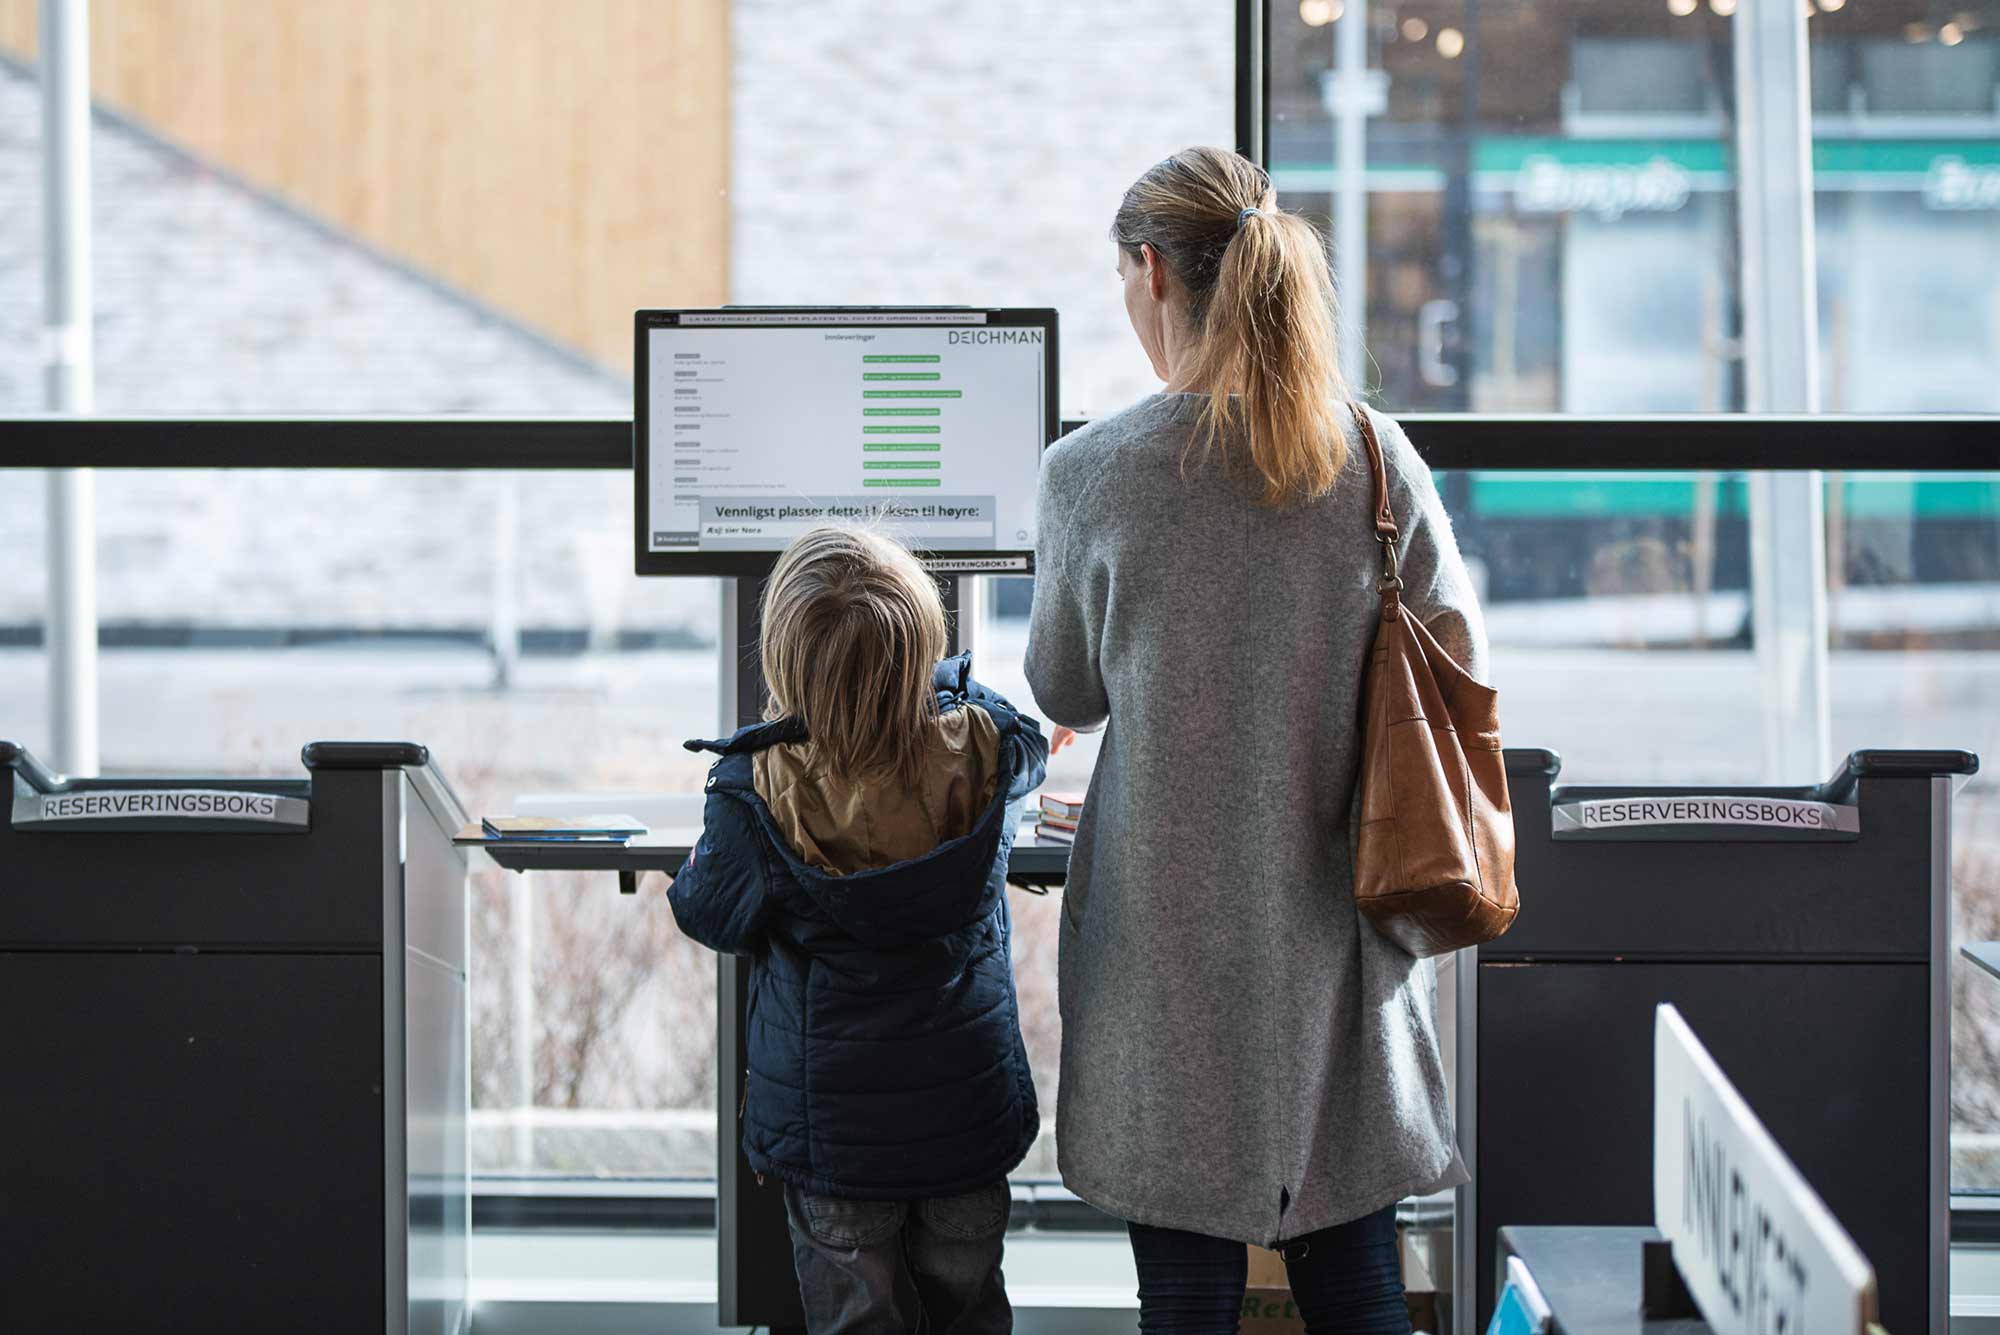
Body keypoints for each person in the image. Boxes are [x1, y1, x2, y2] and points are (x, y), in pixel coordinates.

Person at [1025, 146, 1488, 1334]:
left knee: (1181, 1291)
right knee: (1354, 1279)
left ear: (1149, 272)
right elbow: (1456, 666)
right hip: (1339, 931)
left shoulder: (1093, 474)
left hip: (1160, 952)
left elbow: (1063, 687)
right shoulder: (1374, 459)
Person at [667, 525, 1049, 1335]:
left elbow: (706, 910)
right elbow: (1025, 740)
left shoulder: (755, 790)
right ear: (921, 647)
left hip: (833, 1135)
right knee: (972, 1311)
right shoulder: (983, 749)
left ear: (783, 658)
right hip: (965, 1115)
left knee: (856, 1323)